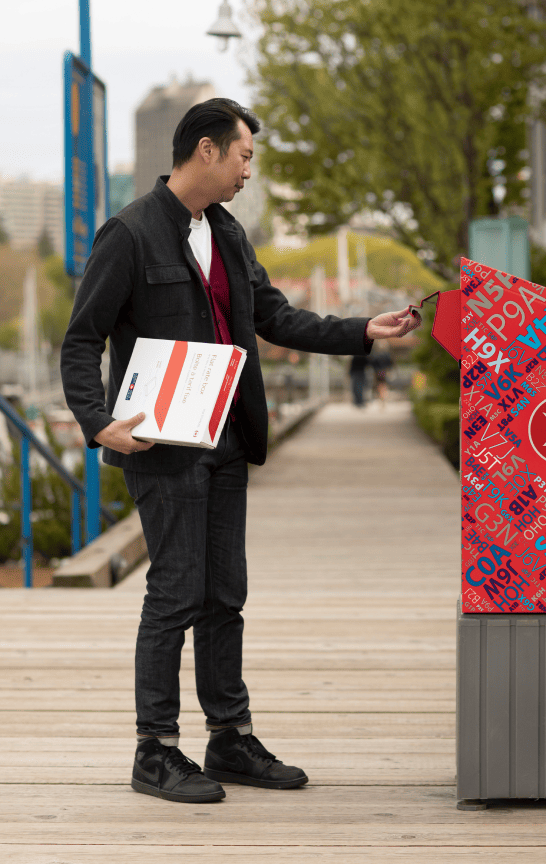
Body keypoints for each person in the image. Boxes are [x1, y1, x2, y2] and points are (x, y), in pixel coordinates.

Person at [60, 98, 420, 804]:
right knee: (176, 590)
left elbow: (274, 315)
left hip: (227, 439)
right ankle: (155, 750)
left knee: (226, 592)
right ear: (205, 150)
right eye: (244, 155)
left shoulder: (225, 232)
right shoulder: (129, 234)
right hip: (162, 442)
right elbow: (81, 339)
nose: (248, 170)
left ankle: (228, 738)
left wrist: (362, 330)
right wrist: (98, 422)